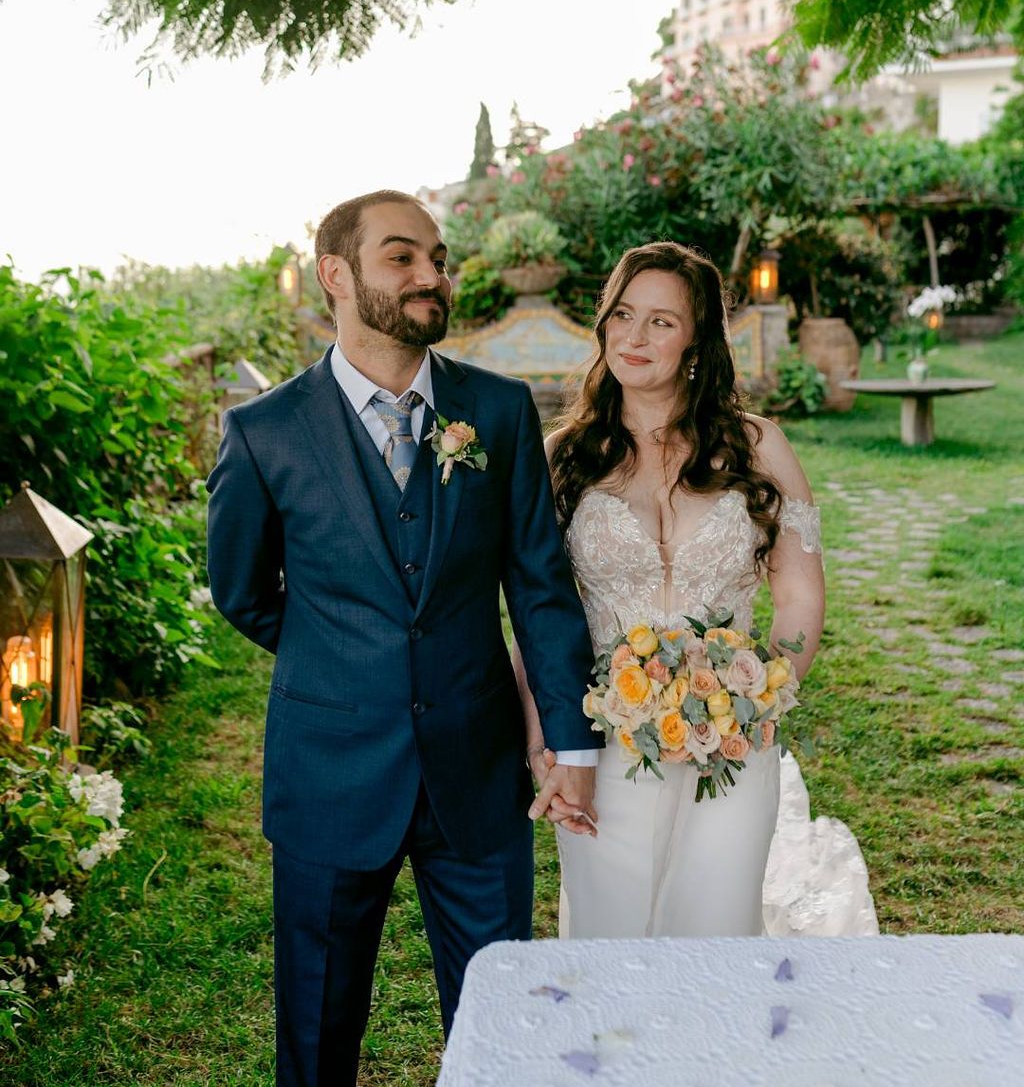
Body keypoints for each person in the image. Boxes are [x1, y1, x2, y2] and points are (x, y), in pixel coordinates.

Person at [206, 191, 600, 1087]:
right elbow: (242, 592)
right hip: (330, 771)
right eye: (402, 257)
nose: (432, 276)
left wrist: (571, 741)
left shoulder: (496, 412)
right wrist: (345, 662)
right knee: (316, 1025)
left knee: (501, 1023)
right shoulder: (262, 433)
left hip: (479, 763)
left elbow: (539, 586)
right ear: (336, 275)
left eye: (437, 257)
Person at [515, 240, 871, 939]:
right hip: (601, 742)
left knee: (716, 929)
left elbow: (798, 591)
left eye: (661, 322)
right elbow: (534, 614)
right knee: (609, 936)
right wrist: (544, 744)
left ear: (698, 341)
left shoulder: (758, 446)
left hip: (736, 748)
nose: (634, 337)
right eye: (622, 315)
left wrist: (760, 694)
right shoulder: (560, 458)